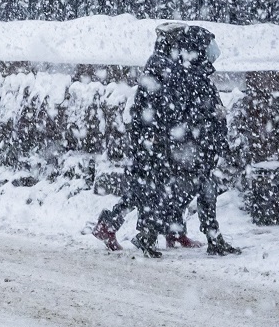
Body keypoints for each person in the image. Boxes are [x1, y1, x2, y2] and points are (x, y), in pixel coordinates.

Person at [91, 24, 240, 257]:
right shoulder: (170, 69)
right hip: (158, 142)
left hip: (158, 141)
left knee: (158, 187)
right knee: (160, 188)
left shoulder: (169, 66)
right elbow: (174, 110)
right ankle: (144, 232)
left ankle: (164, 231)